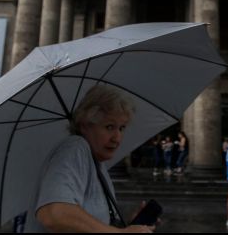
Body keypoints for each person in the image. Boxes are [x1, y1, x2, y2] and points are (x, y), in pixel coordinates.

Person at [25, 85, 154, 233]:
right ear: (85, 126)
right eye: (109, 127)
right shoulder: (76, 147)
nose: (117, 138)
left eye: (122, 128)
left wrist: (130, 227)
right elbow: (53, 214)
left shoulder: (98, 164)